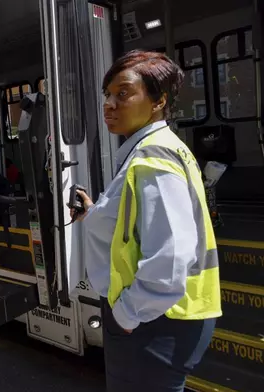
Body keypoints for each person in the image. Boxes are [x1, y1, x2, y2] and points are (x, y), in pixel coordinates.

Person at [70, 50, 222, 392]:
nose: (109, 103)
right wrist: (93, 214)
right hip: (164, 317)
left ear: (158, 101)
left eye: (123, 93)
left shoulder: (152, 159)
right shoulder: (160, 148)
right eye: (107, 94)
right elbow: (137, 226)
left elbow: (169, 259)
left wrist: (126, 314)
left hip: (155, 321)